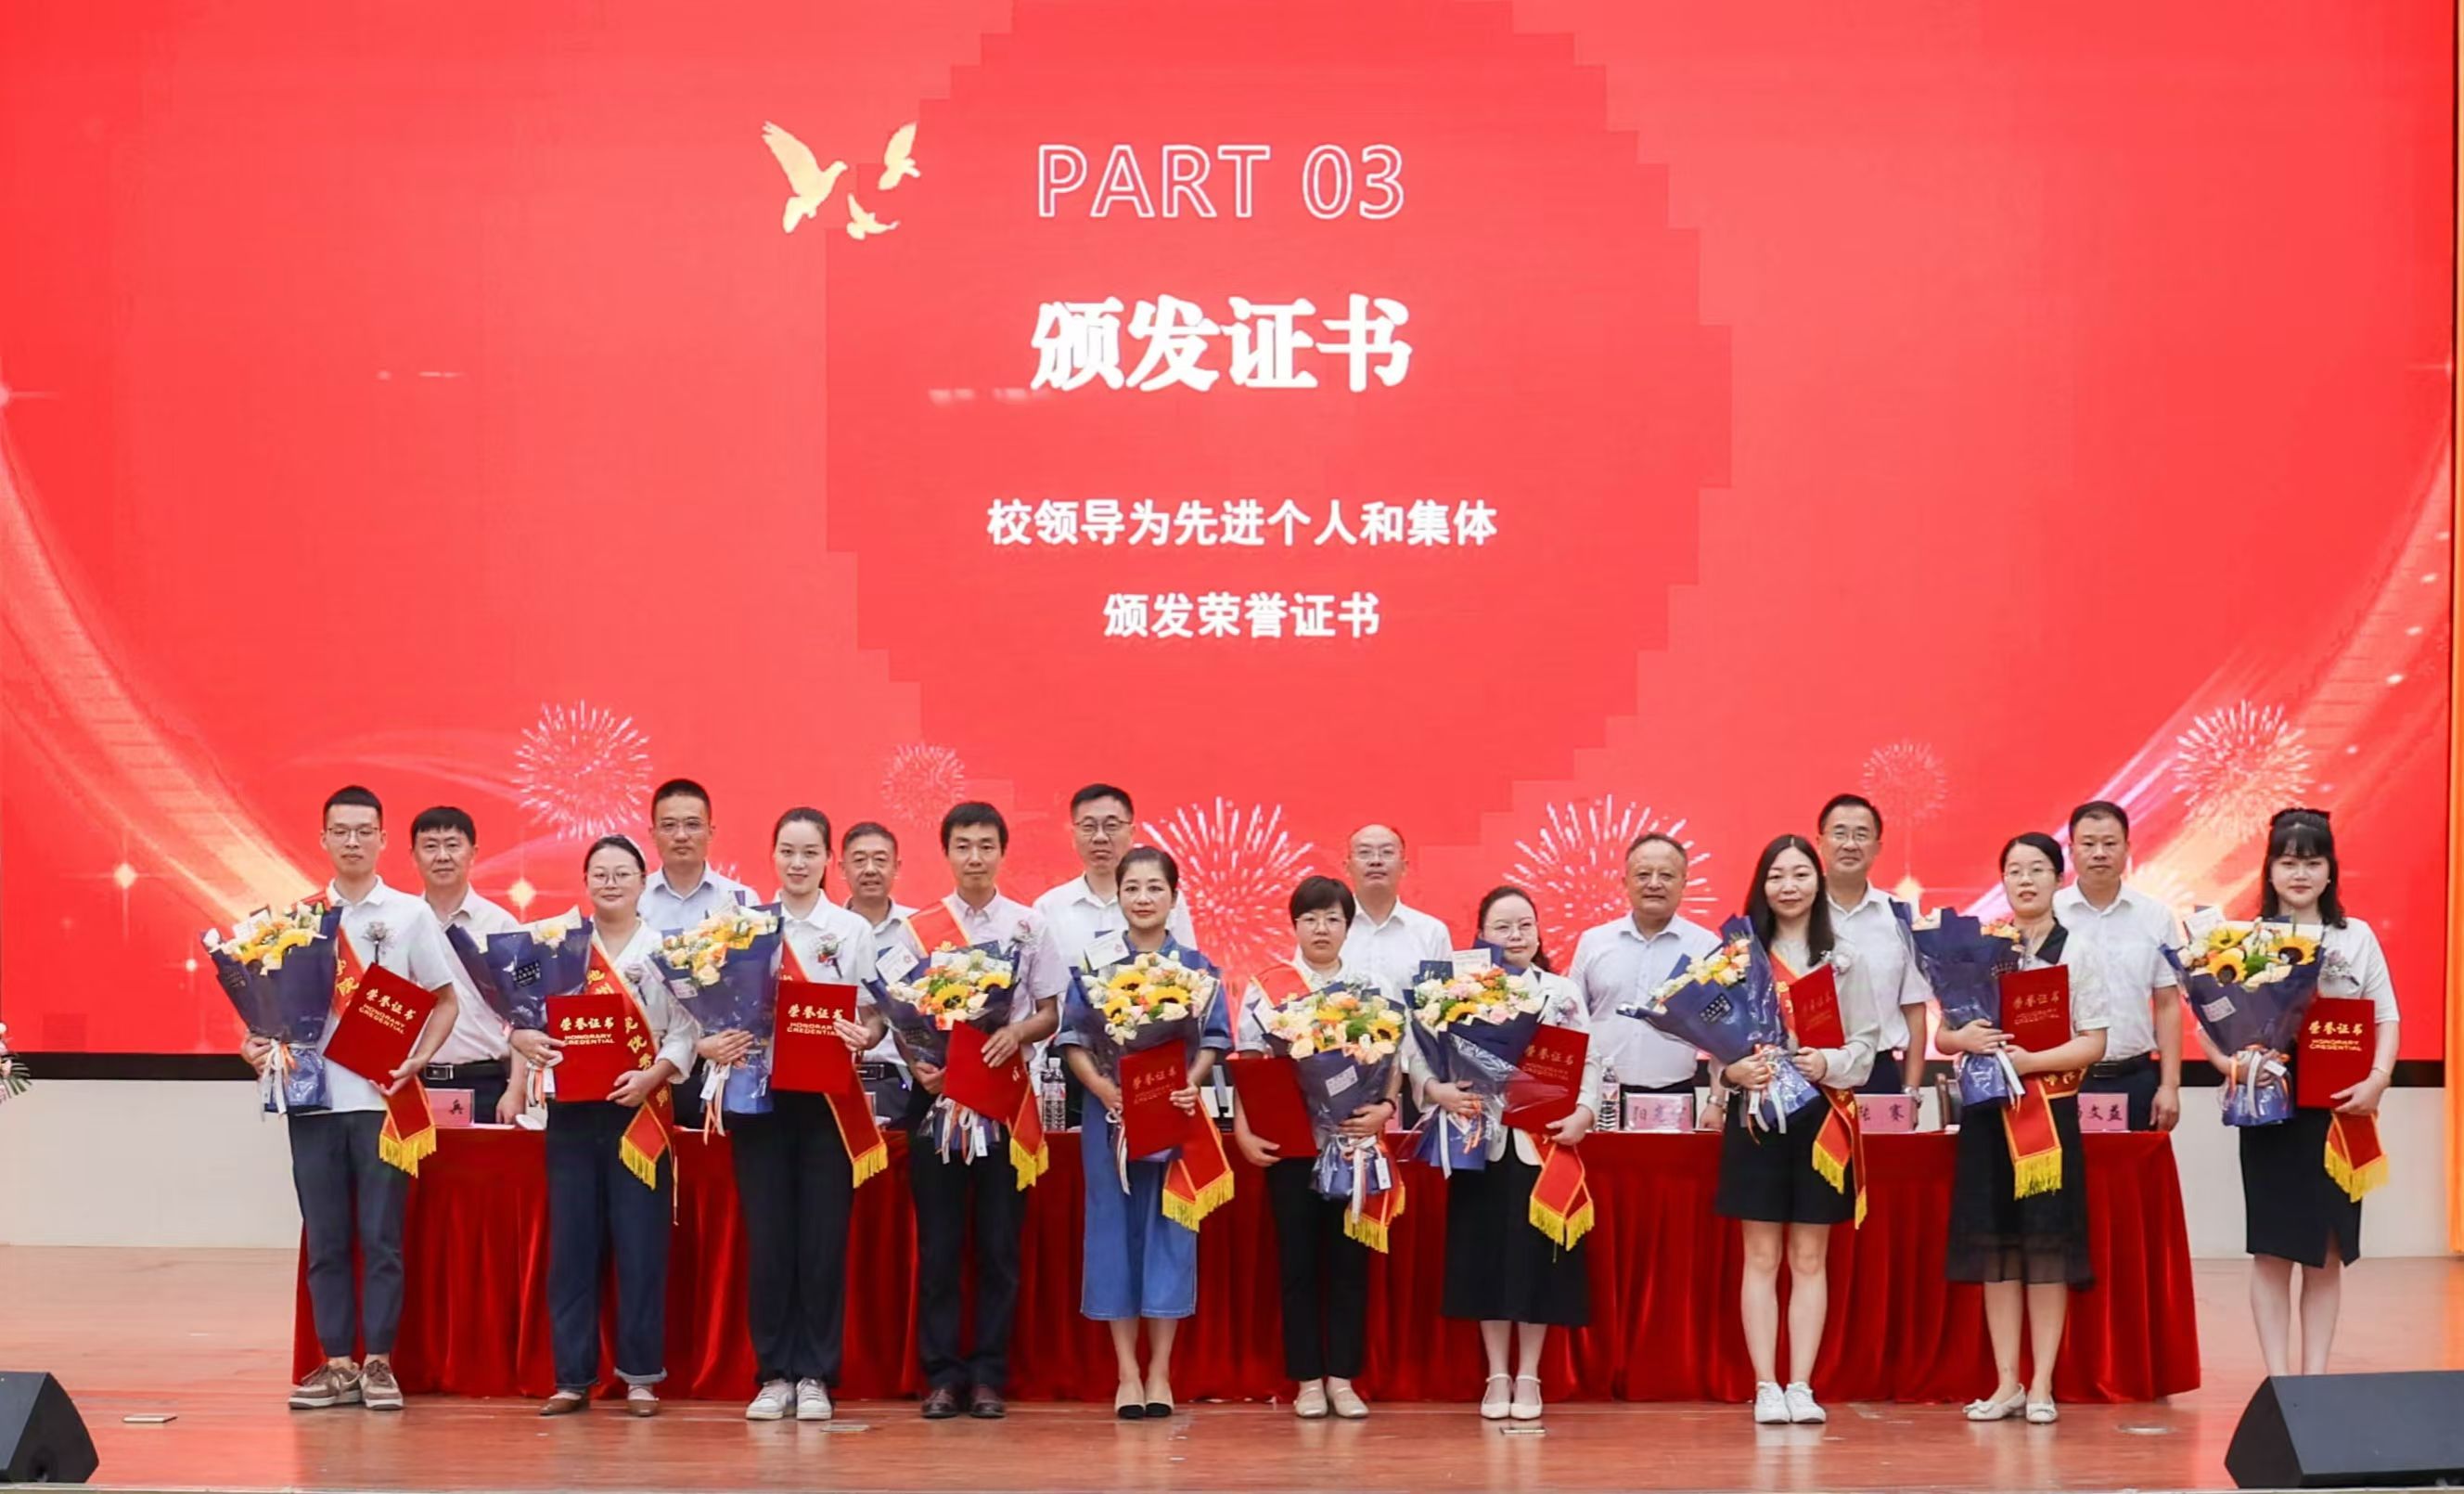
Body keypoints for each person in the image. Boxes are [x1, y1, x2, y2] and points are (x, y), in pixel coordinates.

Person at [248, 786, 462, 1413]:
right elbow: (267, 1015)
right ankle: (338, 1362)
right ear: (323, 839)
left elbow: (446, 999)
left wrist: (419, 1059)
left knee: (382, 1236)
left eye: (364, 831)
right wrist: (255, 1045)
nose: (352, 842)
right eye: (340, 831)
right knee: (327, 1237)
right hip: (313, 1100)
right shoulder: (296, 921)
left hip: (381, 1101)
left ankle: (379, 1363)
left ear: (383, 839)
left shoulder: (409, 915)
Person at [699, 808, 884, 1423]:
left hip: (827, 1101)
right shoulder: (746, 928)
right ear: (773, 855)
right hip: (759, 1099)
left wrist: (866, 1033)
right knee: (770, 1239)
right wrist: (717, 1039)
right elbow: (714, 1008)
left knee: (823, 1241)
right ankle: (774, 1374)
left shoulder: (850, 929)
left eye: (810, 853)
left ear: (829, 859)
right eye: (788, 851)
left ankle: (816, 1375)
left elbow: (875, 1013)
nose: (798, 863)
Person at [511, 835, 699, 1418]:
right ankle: (572, 1378)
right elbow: (522, 1017)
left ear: (643, 881)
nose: (611, 882)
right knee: (572, 1248)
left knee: (641, 1248)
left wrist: (654, 1076)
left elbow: (685, 1031)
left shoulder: (667, 950)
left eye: (622, 873)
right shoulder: (559, 947)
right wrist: (523, 1038)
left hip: (640, 1114)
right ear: (586, 881)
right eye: (600, 873)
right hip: (571, 1114)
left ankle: (641, 1377)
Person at [891, 802, 1065, 1421]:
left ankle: (989, 1375)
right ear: (946, 852)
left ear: (1002, 852)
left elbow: (1050, 1011)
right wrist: (919, 1063)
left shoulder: (1029, 925)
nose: (974, 857)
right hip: (937, 1098)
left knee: (998, 1245)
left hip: (1003, 1096)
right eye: (963, 845)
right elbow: (901, 1015)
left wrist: (1016, 1034)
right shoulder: (917, 929)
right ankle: (942, 1376)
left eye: (986, 845)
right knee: (939, 1248)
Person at [1939, 832, 2110, 1425]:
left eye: (2037, 869)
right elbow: (1944, 1036)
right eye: (2014, 870)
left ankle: (2041, 1385)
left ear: (2059, 879)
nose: (2026, 880)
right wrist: (1963, 1039)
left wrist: (2032, 1062)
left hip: (2048, 1117)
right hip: (1989, 1115)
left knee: (2045, 1249)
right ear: (2003, 881)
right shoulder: (1983, 949)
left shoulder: (2077, 949)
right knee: (1997, 1251)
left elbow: (2095, 1040)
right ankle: (2007, 1381)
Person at [1058, 846, 1232, 1420]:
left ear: (1174, 897)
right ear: (1119, 896)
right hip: (1110, 1120)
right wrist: (1102, 1088)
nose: (1143, 898)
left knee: (1169, 1234)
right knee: (1112, 1234)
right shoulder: (1097, 965)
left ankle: (1160, 1372)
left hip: (1173, 1115)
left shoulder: (1197, 969)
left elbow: (1213, 1039)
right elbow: (1073, 1039)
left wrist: (1190, 1082)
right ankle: (1126, 1374)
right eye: (1132, 888)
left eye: (1155, 887)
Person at [1414, 885, 1598, 1423]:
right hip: (1478, 1139)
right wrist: (1436, 1090)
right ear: (1481, 936)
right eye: (1502, 927)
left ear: (1539, 932)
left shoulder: (1560, 992)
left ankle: (1530, 1374)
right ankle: (1496, 1372)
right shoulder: (1457, 992)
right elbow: (1416, 1051)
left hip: (1541, 1142)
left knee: (1536, 1261)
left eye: (1524, 926)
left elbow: (1589, 1060)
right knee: (1484, 1257)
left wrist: (1584, 1113)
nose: (1515, 936)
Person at [1715, 835, 1879, 1425]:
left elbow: (1866, 1043)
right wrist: (1731, 1072)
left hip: (1821, 1116)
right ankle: (1766, 1385)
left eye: (1801, 874)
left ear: (1818, 880)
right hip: (1756, 1115)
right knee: (1760, 1257)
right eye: (1777, 876)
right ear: (1762, 886)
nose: (1789, 886)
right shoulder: (1736, 957)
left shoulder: (1845, 958)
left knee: (1810, 1258)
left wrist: (1827, 1062)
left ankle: (1802, 1385)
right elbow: (1714, 1042)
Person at [2231, 808, 2399, 1376]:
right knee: (2272, 1249)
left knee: (2326, 1251)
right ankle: (2281, 1381)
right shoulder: (2248, 940)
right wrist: (2234, 1064)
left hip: (2339, 1106)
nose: (2300, 873)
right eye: (2288, 862)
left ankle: (2316, 1381)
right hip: (2272, 1107)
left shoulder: (2356, 936)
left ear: (2330, 871)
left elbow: (2387, 1017)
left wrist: (2377, 1080)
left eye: (2312, 861)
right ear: (2269, 871)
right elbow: (2218, 1022)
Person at [1228, 875, 1395, 1421]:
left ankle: (1343, 1378)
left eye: (1332, 919)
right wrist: (1245, 1130)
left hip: (1351, 1143)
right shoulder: (1269, 987)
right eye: (1310, 919)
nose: (1321, 928)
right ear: (1294, 925)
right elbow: (1250, 1064)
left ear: (1348, 925)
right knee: (1297, 1263)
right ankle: (1306, 1380)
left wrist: (1386, 1108)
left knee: (1350, 1263)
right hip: (1291, 1143)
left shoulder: (1371, 988)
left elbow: (1395, 1061)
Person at [2055, 802, 2183, 1131]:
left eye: (2110, 843)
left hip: (2136, 1078)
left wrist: (2169, 1085)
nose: (2099, 853)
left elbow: (2167, 1004)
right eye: (2088, 844)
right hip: (2063, 1079)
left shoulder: (2155, 915)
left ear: (2127, 848)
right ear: (2071, 851)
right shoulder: (2050, 914)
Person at [636, 778, 753, 1129]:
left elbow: (754, 988)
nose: (681, 835)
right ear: (653, 833)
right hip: (648, 1065)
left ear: (711, 831)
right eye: (669, 826)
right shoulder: (633, 899)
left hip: (724, 1062)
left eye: (692, 825)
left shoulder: (740, 901)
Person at [1569, 833, 1720, 1100]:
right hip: (1599, 1095)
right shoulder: (1593, 942)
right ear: (1625, 882)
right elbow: (1571, 1022)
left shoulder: (1706, 947)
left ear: (1683, 883)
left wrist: (1716, 1102)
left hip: (1675, 1095)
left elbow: (1720, 1033)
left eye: (1666, 875)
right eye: (1643, 874)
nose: (1654, 883)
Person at [407, 805, 520, 1121]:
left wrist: (516, 1090)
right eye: (430, 846)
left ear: (473, 852)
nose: (442, 856)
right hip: (411, 1083)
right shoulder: (400, 922)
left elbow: (525, 1015)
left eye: (453, 845)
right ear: (414, 855)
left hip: (485, 1082)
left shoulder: (501, 924)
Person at [1816, 794, 1932, 1093]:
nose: (1850, 844)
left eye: (1861, 835)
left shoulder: (1898, 916)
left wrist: (1912, 1090)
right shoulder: (1797, 911)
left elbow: (1914, 1008)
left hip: (1876, 1072)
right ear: (1820, 842)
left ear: (1878, 847)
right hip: (1807, 1069)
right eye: (1839, 833)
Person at [1033, 783, 1197, 964]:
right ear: (1073, 835)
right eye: (1088, 827)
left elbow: (1189, 968)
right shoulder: (1049, 907)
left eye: (1111, 826)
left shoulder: (1163, 900)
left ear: (1131, 832)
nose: (1100, 837)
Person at [838, 820, 918, 1123]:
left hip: (904, 1080)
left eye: (880, 860)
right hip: (834, 1081)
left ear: (897, 867)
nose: (870, 869)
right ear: (842, 868)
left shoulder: (919, 929)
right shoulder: (826, 929)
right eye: (859, 860)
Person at [1339, 824, 1452, 990]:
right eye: (1364, 852)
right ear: (1347, 867)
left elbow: (1443, 999)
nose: (1376, 861)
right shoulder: (1327, 930)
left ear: (1404, 867)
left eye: (1387, 852)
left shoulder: (1431, 932)